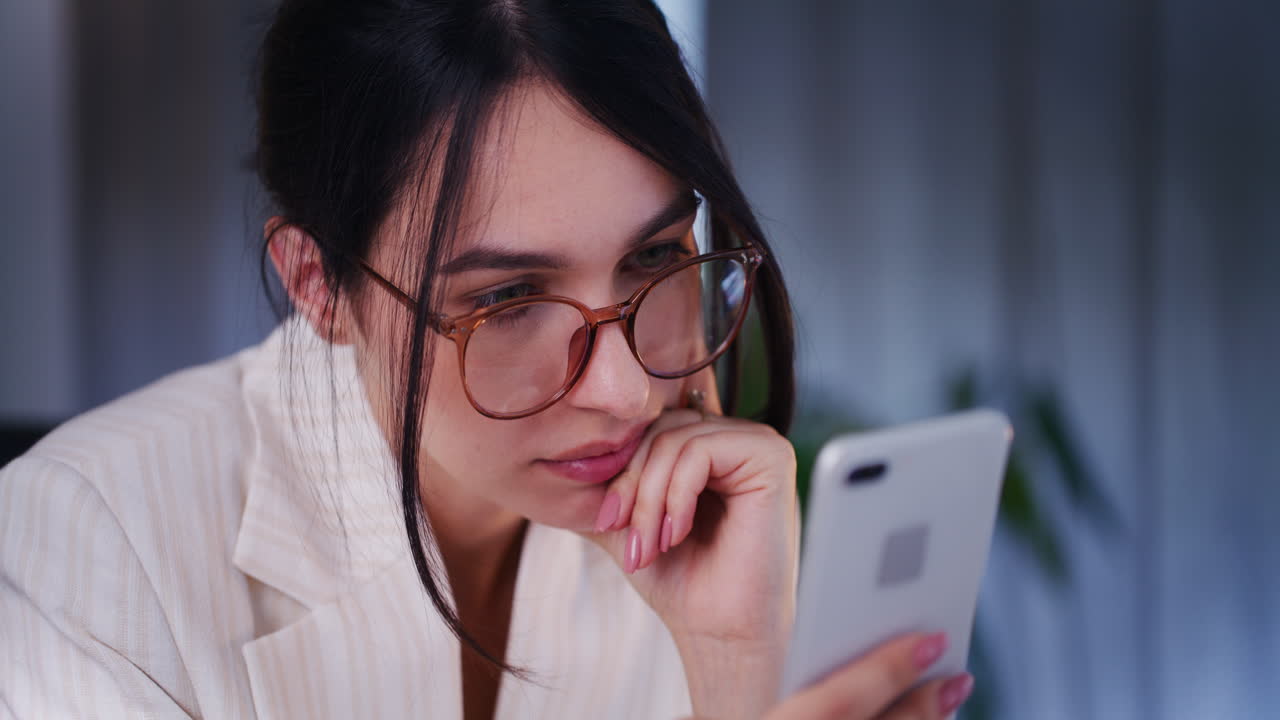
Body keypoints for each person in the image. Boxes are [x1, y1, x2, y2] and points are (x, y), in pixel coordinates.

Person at [0, 1, 974, 718]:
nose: (628, 390)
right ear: (317, 284)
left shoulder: (709, 534)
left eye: (655, 257)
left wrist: (735, 665)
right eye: (507, 301)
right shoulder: (87, 549)